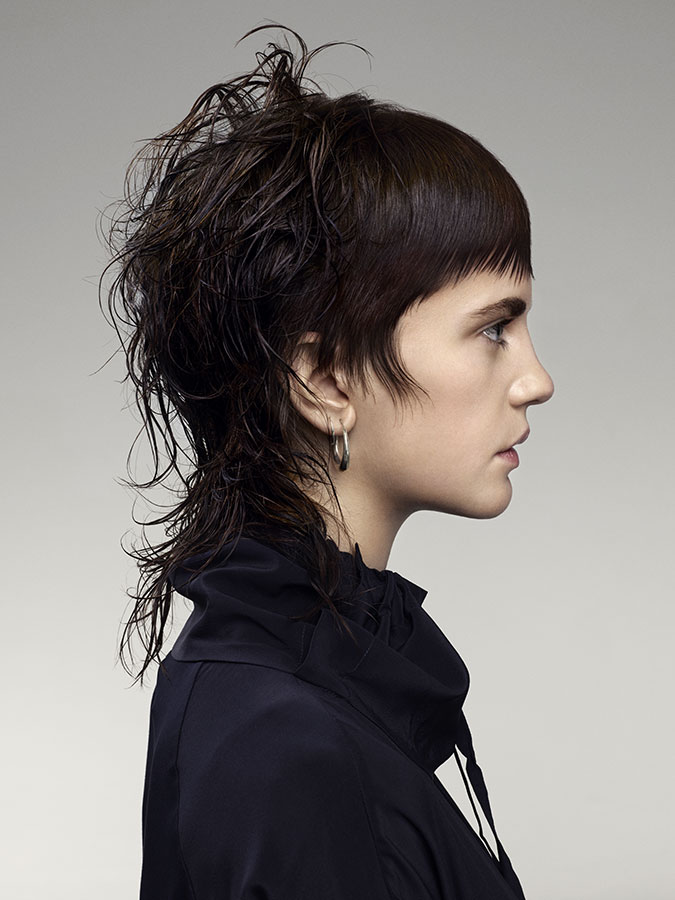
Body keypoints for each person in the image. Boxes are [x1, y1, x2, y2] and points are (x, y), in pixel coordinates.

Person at [101, 23, 554, 900]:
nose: (536, 380)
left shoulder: (282, 679)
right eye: (494, 328)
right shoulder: (295, 747)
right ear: (325, 380)